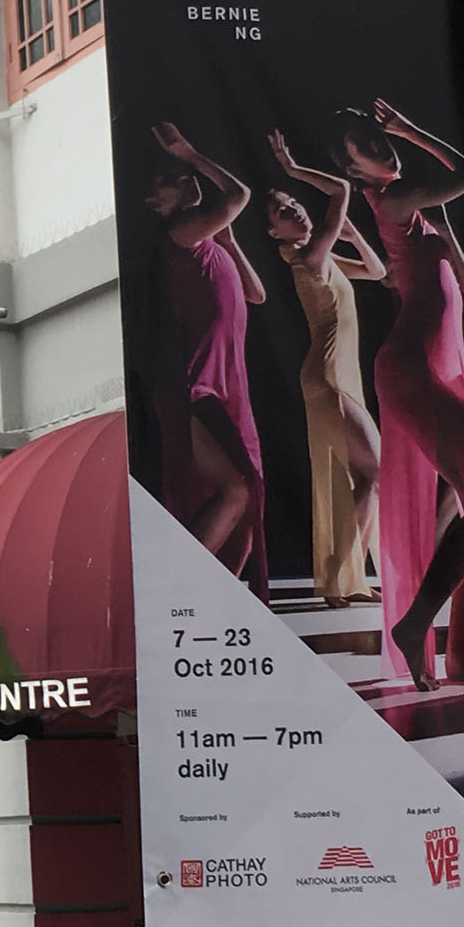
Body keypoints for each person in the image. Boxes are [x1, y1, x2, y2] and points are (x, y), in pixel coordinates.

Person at [328, 98, 464, 691]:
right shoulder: (389, 200)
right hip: (411, 368)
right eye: (372, 146)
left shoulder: (416, 211)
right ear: (356, 171)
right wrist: (413, 129)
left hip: (438, 370)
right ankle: (416, 626)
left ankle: (459, 650)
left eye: (385, 140)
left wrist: (441, 229)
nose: (385, 148)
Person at [141, 121, 269, 600]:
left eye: (160, 184)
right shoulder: (179, 234)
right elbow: (238, 193)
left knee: (249, 495)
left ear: (184, 186)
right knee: (235, 489)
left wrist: (231, 241)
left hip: (223, 384)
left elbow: (256, 294)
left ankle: (222, 598)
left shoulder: (209, 243)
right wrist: (192, 154)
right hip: (191, 385)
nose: (150, 197)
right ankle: (180, 591)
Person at [264, 129, 386, 608]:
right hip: (329, 377)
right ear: (276, 232)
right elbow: (341, 190)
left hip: (337, 377)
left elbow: (376, 272)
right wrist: (291, 167)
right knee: (375, 473)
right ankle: (338, 576)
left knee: (367, 478)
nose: (292, 208)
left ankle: (347, 577)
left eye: (291, 200)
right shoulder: (309, 260)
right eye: (281, 211)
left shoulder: (323, 256)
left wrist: (353, 234)